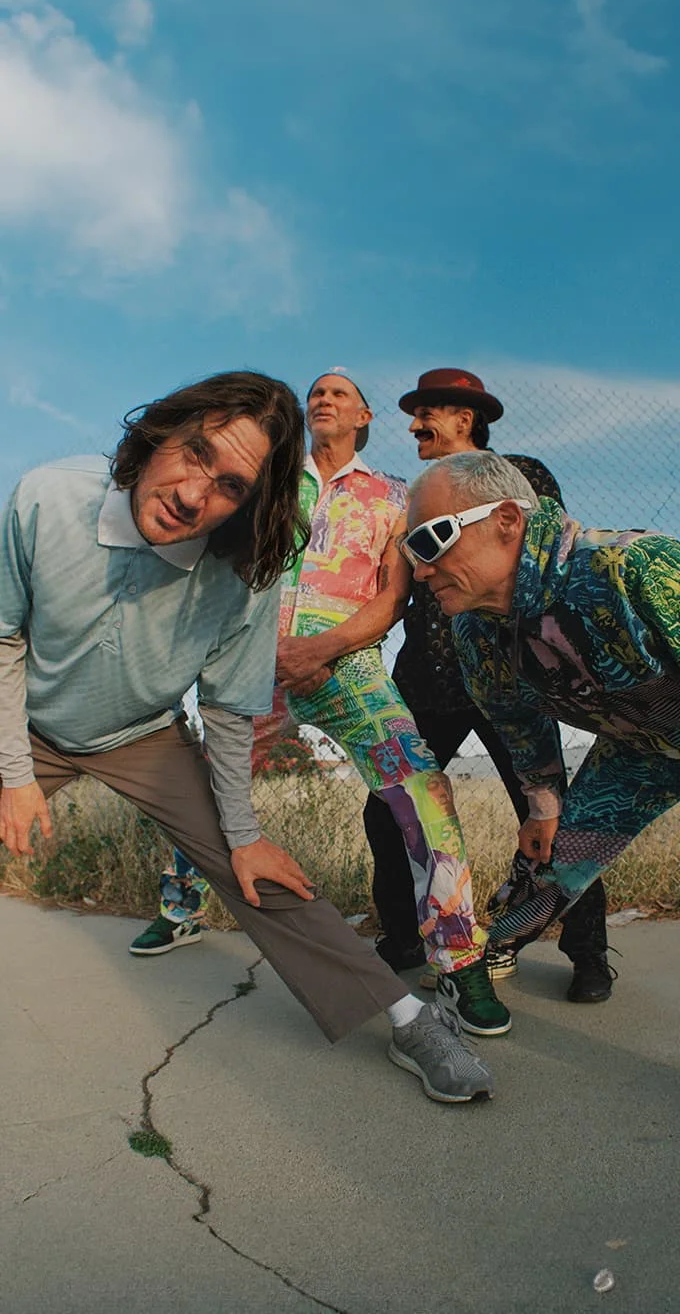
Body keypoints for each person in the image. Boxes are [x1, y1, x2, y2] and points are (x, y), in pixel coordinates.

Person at [0, 370, 495, 1105]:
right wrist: (14, 775)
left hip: (144, 733)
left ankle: (411, 1019)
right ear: (157, 432)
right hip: (27, 720)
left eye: (230, 485)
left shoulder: (246, 569)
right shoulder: (48, 496)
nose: (196, 494)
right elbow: (5, 638)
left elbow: (230, 710)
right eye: (195, 453)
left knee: (255, 863)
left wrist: (241, 831)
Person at [130, 369, 511, 1038]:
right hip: (254, 662)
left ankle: (458, 957)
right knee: (206, 791)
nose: (323, 400)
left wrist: (323, 648)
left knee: (425, 790)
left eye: (339, 393)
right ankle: (179, 907)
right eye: (315, 393)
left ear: (363, 416)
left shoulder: (395, 495)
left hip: (349, 662)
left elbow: (394, 599)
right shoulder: (268, 484)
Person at [364, 369, 612, 1003]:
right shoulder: (412, 498)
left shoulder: (519, 475)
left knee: (553, 813)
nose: (414, 425)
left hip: (512, 679)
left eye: (427, 413)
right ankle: (402, 935)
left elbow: (548, 557)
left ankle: (586, 954)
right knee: (387, 806)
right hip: (428, 680)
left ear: (464, 418)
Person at [402, 449, 680, 961]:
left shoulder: (634, 568)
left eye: (429, 541)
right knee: (549, 875)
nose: (420, 571)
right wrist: (544, 808)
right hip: (642, 753)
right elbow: (517, 724)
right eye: (409, 552)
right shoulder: (475, 633)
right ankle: (479, 962)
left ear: (506, 519)